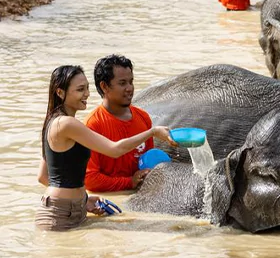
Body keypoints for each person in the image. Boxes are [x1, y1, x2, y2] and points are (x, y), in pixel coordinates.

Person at [36, 65, 176, 231]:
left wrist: (83, 199)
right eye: (80, 89)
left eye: (87, 88)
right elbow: (114, 149)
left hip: (67, 209)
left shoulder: (54, 121)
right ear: (60, 93)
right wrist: (152, 132)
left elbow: (43, 177)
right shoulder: (67, 124)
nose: (87, 94)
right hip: (60, 214)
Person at [84, 55, 155, 192]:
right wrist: (129, 182)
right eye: (122, 83)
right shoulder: (93, 124)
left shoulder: (143, 118)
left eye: (131, 82)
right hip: (112, 200)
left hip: (140, 197)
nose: (130, 88)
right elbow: (90, 179)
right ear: (104, 86)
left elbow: (149, 160)